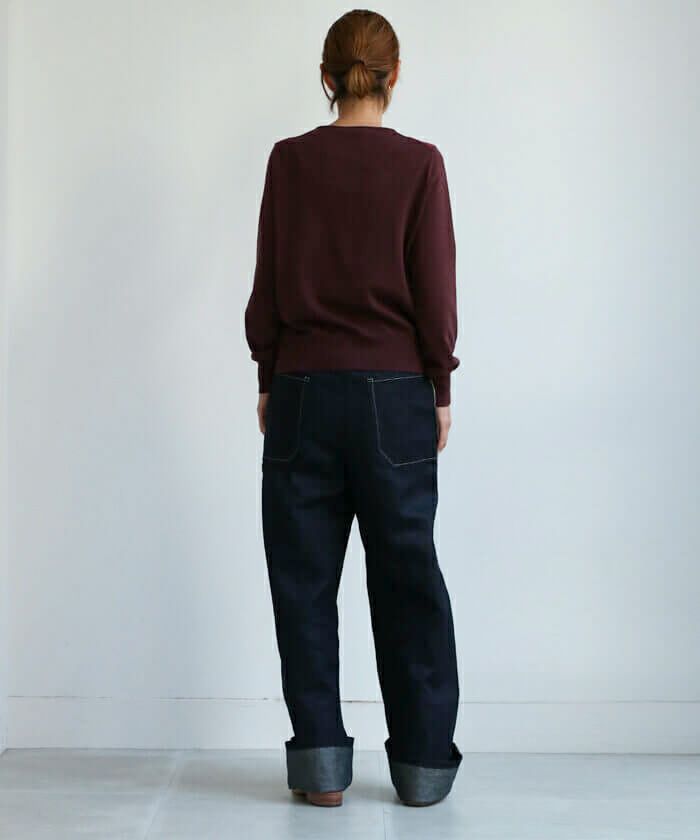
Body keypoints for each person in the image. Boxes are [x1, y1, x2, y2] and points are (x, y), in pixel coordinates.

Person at [244, 9, 462, 809]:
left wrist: (269, 376)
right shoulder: (420, 165)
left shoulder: (290, 162)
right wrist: (440, 387)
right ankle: (423, 769)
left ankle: (321, 772)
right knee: (408, 582)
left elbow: (269, 283)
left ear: (326, 77)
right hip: (396, 396)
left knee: (303, 583)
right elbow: (435, 292)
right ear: (394, 75)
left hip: (302, 390)